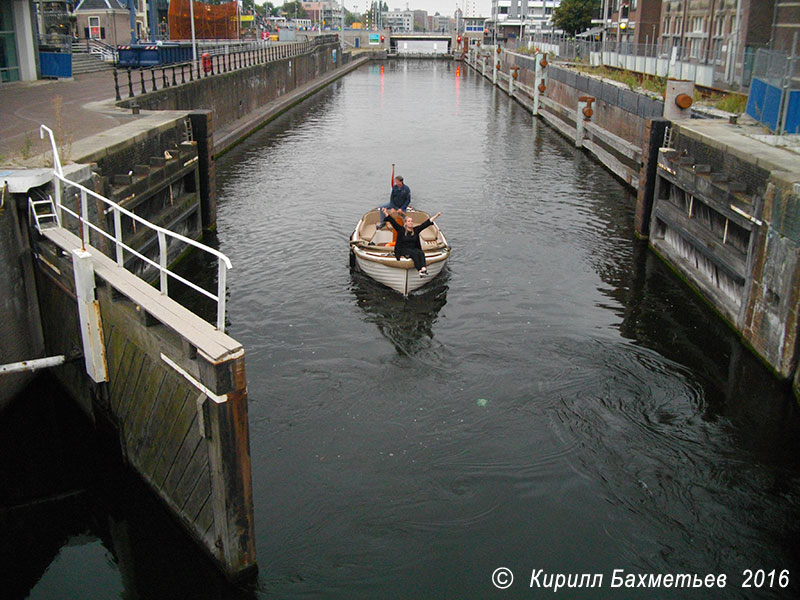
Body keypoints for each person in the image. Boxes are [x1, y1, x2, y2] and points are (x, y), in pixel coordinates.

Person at [381, 207, 441, 277]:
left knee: (420, 252)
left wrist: (436, 216)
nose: (410, 223)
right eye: (409, 221)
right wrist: (385, 212)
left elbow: (425, 224)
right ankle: (419, 270)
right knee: (414, 253)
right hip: (403, 249)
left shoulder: (415, 230)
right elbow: (392, 221)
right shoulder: (401, 230)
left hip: (413, 248)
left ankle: (424, 268)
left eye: (411, 221)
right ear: (406, 223)